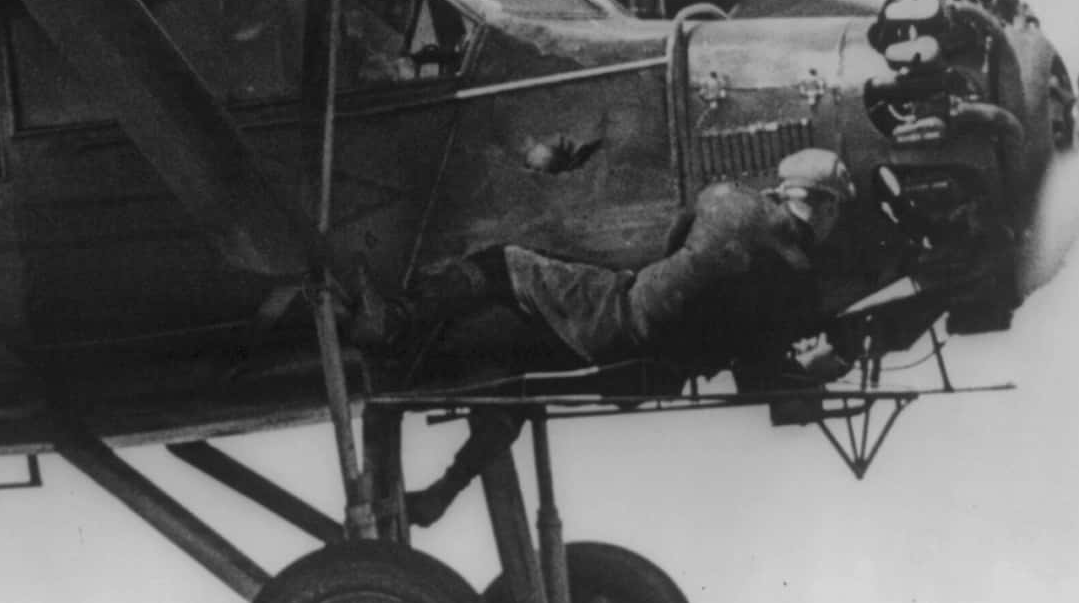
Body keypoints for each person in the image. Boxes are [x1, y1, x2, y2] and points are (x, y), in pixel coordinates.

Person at [356, 149, 860, 525]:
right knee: (514, 387)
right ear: (829, 211)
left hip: (613, 320)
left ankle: (398, 319)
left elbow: (676, 228)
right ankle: (443, 491)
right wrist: (810, 373)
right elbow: (755, 375)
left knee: (504, 263)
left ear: (788, 190)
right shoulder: (801, 297)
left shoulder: (734, 205)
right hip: (645, 380)